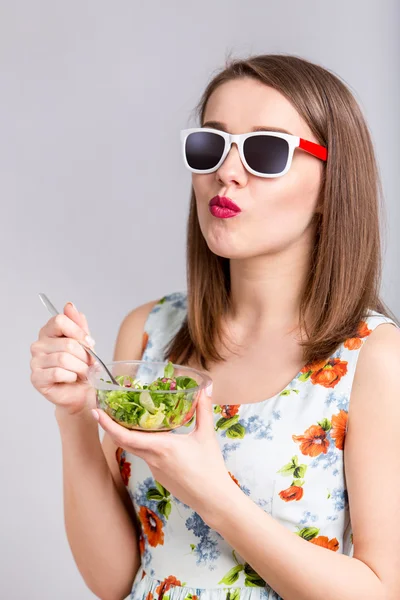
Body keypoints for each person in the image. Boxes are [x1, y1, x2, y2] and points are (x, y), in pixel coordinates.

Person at [30, 54, 400, 600]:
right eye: (212, 144)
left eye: (266, 151)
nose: (227, 172)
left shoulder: (373, 358)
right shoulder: (149, 332)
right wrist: (73, 418)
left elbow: (382, 590)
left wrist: (213, 495)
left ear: (331, 186)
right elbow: (115, 581)